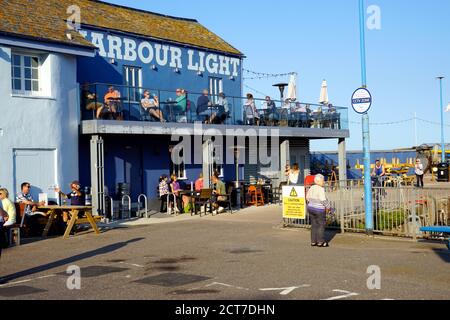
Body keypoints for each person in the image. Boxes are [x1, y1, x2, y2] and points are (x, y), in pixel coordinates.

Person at [306, 174, 331, 248]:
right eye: (323, 181)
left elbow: (307, 197)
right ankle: (321, 242)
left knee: (314, 225)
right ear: (318, 181)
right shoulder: (320, 189)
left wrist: (312, 202)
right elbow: (323, 200)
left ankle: (313, 242)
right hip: (319, 209)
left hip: (311, 208)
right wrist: (328, 207)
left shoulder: (312, 187)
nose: (324, 182)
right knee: (321, 225)